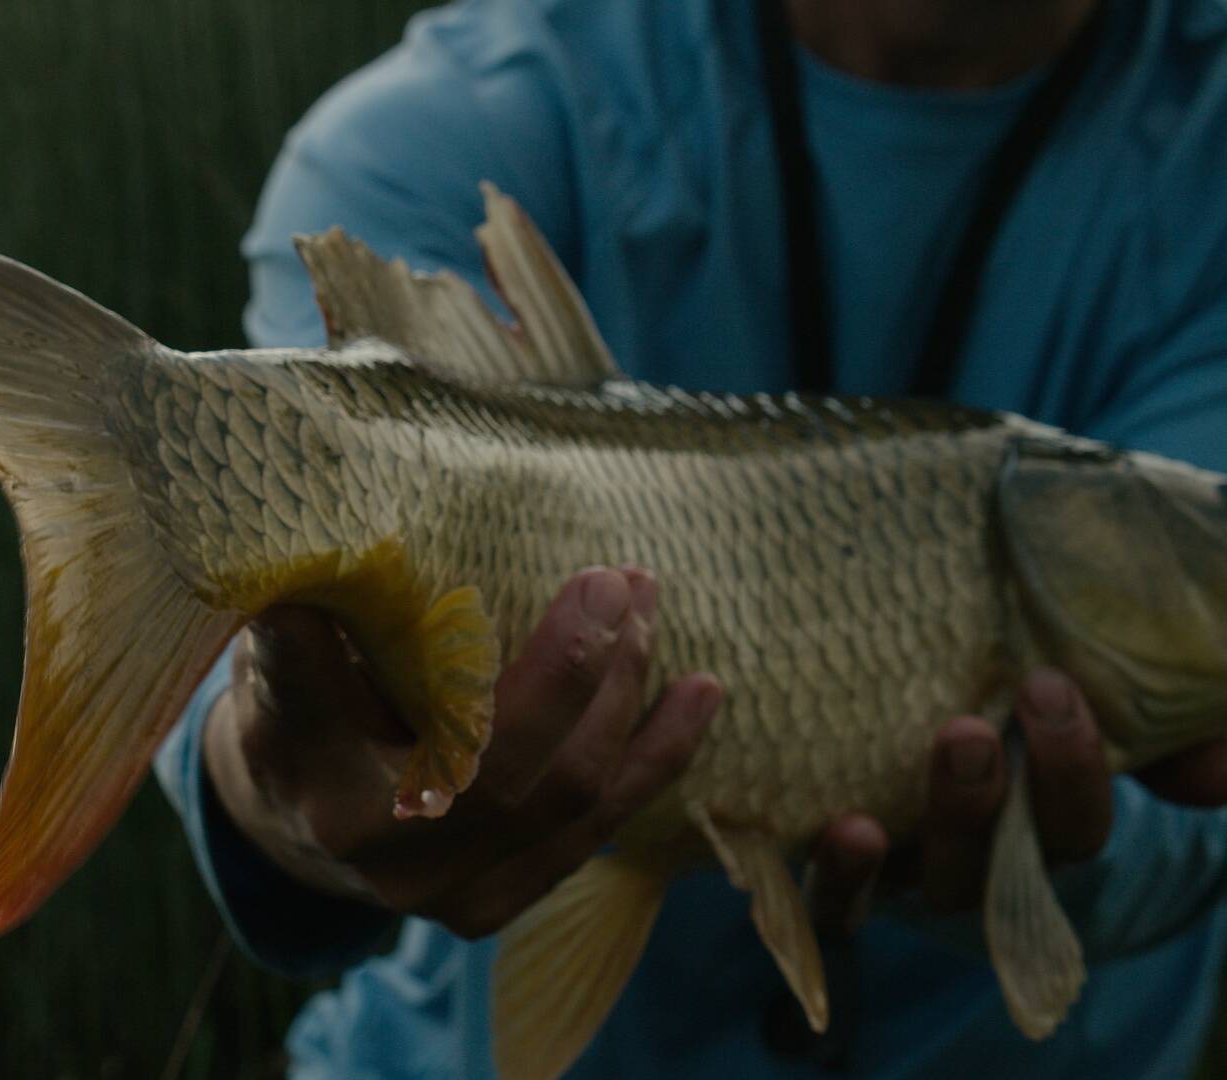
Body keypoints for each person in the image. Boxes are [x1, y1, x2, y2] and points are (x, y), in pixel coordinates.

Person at [153, 0, 1227, 1075]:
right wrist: (283, 799)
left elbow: (1191, 825)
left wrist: (1064, 852)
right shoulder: (468, 113)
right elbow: (235, 687)